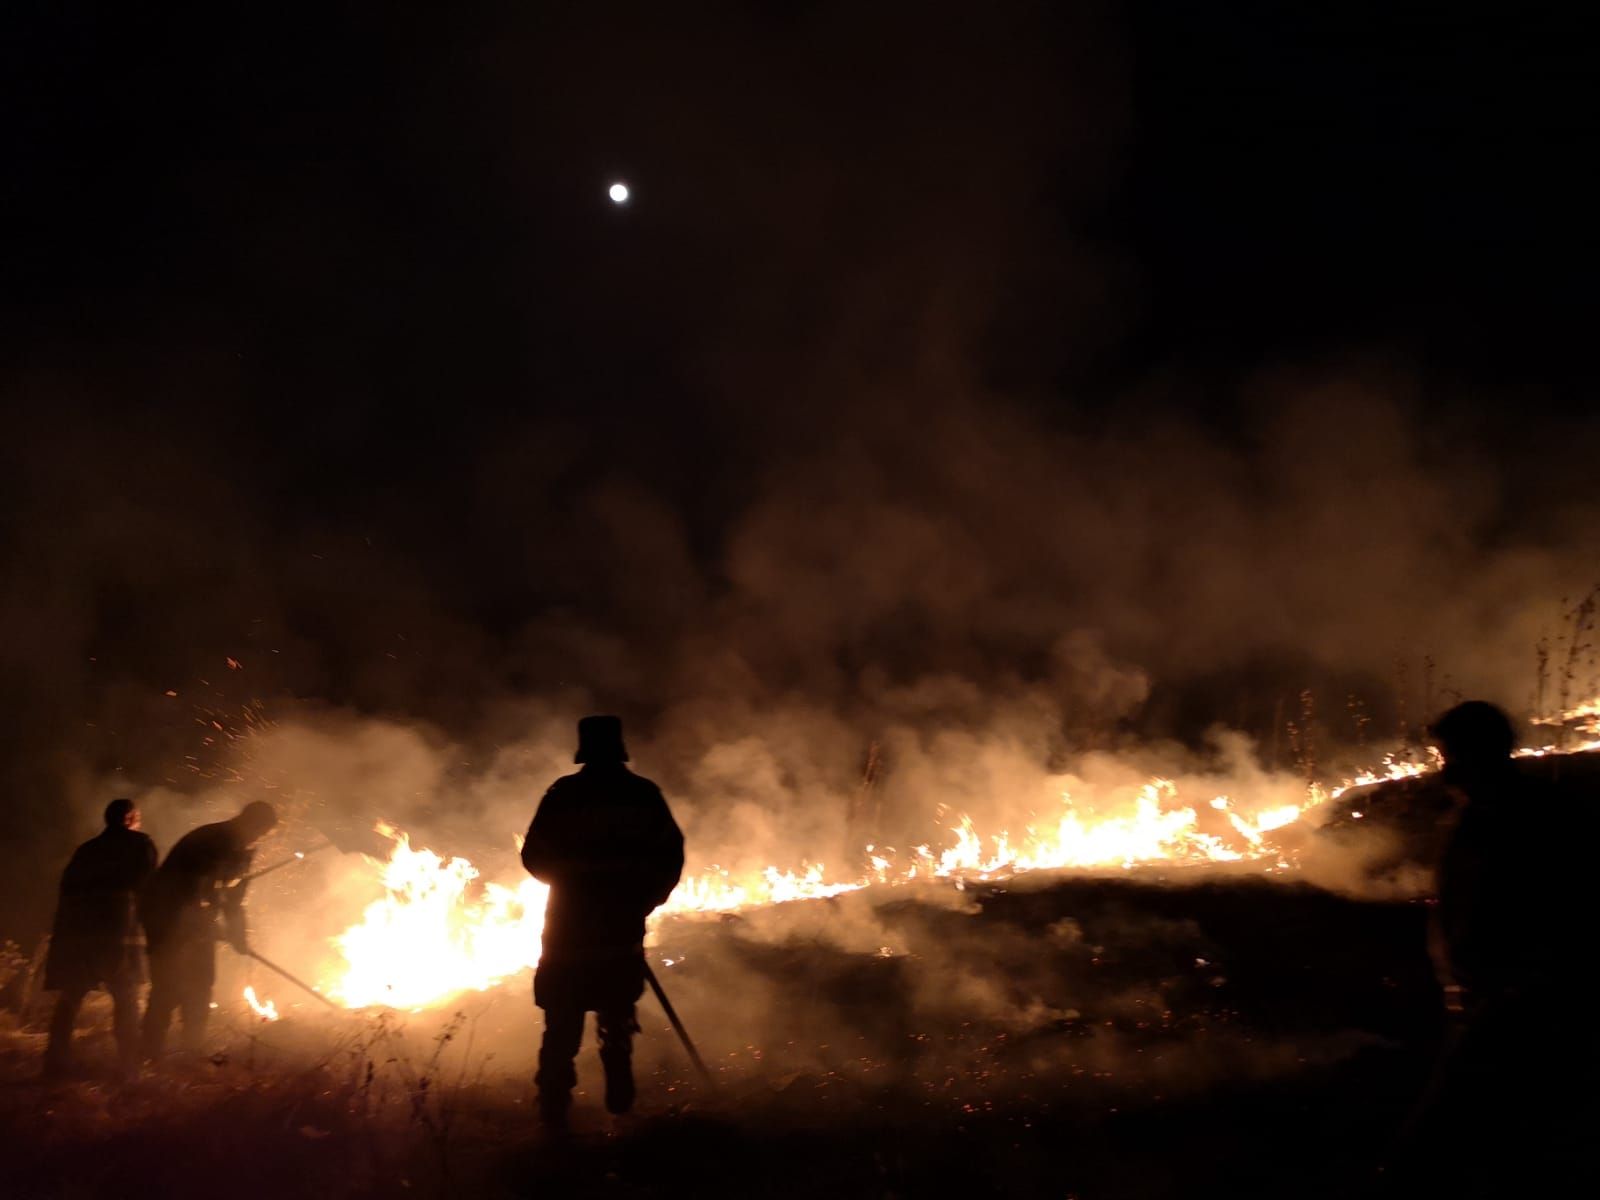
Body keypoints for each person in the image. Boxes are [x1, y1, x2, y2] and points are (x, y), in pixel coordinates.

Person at [1391, 701, 1593, 1194]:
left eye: (1452, 755)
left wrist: (1516, 986)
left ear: (1482, 754)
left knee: (1435, 1146)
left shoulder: (1536, 819)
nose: (1445, 768)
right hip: (1486, 1002)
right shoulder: (1475, 818)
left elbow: (1565, 912)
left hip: (1524, 1008)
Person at [521, 715, 684, 1128]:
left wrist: (569, 879)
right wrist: (646, 899)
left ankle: (554, 1114)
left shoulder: (563, 795)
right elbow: (670, 855)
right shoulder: (643, 796)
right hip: (619, 930)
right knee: (615, 1016)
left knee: (561, 1024)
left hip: (566, 932)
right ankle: (619, 1099)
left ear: (584, 751)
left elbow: (533, 856)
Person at [138, 800, 278, 1060]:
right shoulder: (213, 840)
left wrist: (238, 936)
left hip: (197, 924)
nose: (258, 838)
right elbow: (197, 887)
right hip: (167, 918)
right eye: (259, 831)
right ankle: (149, 1054)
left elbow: (234, 901)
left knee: (201, 983)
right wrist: (204, 919)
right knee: (168, 986)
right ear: (250, 822)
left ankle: (191, 1050)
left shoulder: (241, 850)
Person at [42, 798, 158, 1079]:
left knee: (71, 997)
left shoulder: (86, 850)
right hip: (118, 937)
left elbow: (67, 892)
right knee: (127, 998)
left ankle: (55, 1063)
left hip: (79, 938)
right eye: (137, 816)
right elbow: (149, 890)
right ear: (130, 818)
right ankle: (129, 1067)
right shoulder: (140, 845)